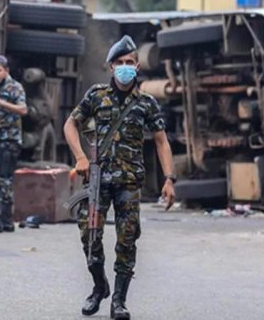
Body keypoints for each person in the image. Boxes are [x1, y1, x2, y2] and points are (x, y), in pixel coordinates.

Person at [63, 35, 176, 319]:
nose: (126, 67)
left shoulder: (147, 103)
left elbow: (162, 141)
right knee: (90, 236)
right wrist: (79, 157)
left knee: (127, 240)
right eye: (120, 63)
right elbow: (70, 125)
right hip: (98, 180)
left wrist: (169, 179)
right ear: (111, 67)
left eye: (130, 63)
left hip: (128, 182)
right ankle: (99, 286)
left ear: (137, 66)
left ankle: (119, 301)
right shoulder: (96, 95)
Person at [0, 55, 28, 233]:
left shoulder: (14, 87)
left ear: (6, 71)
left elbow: (23, 109)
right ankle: (6, 219)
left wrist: (1, 102)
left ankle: (3, 217)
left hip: (10, 138)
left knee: (4, 179)